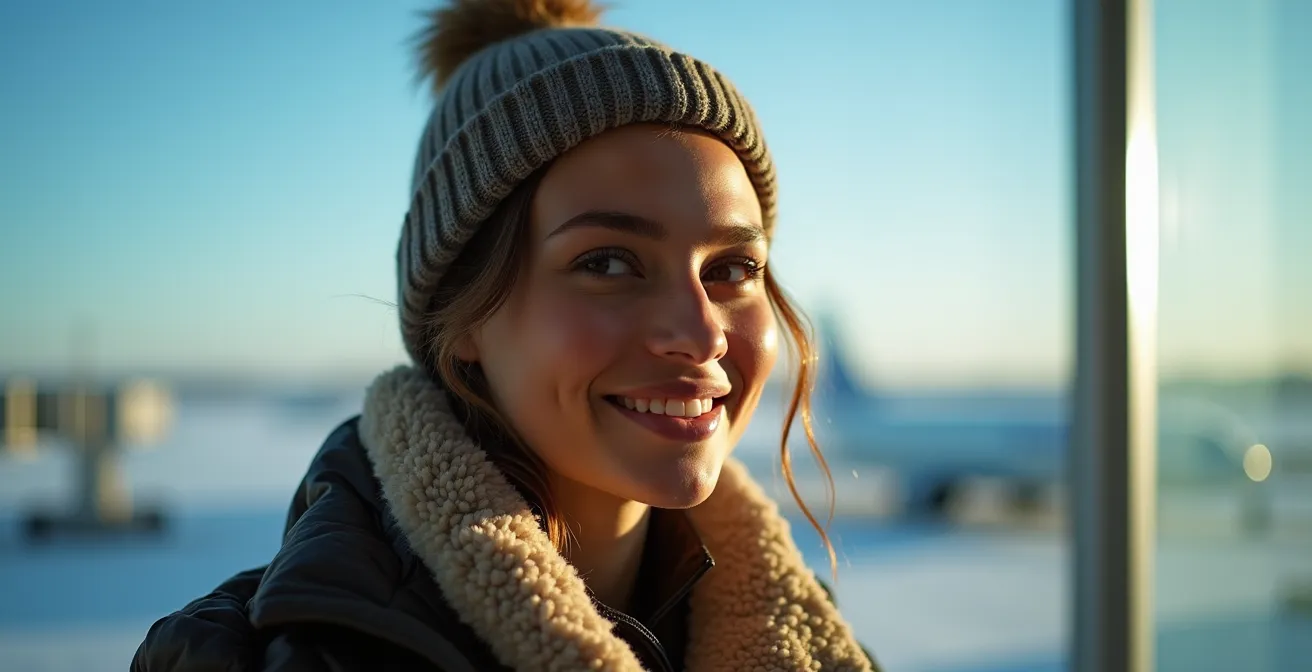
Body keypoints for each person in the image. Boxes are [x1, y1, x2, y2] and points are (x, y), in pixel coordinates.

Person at [132, 0, 878, 670]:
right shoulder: (273, 652)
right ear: (463, 323)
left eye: (733, 267)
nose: (699, 332)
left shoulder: (807, 638)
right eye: (608, 262)